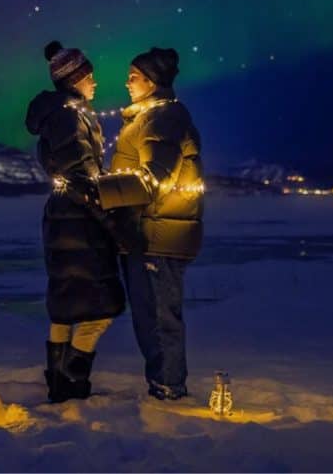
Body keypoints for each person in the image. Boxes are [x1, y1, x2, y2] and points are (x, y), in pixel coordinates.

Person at [96, 47, 204, 400]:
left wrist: (101, 191)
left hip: (157, 237)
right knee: (150, 319)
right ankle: (164, 386)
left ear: (152, 80)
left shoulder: (162, 118)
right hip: (147, 234)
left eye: (134, 76)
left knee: (158, 320)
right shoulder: (148, 117)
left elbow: (155, 178)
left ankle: (169, 391)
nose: (126, 82)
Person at [24, 40, 126, 403]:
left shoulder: (61, 113)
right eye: (90, 77)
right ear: (75, 79)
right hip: (78, 221)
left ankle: (59, 384)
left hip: (63, 217)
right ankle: (72, 376)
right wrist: (114, 225)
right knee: (100, 306)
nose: (95, 83)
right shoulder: (68, 116)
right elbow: (82, 176)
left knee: (67, 304)